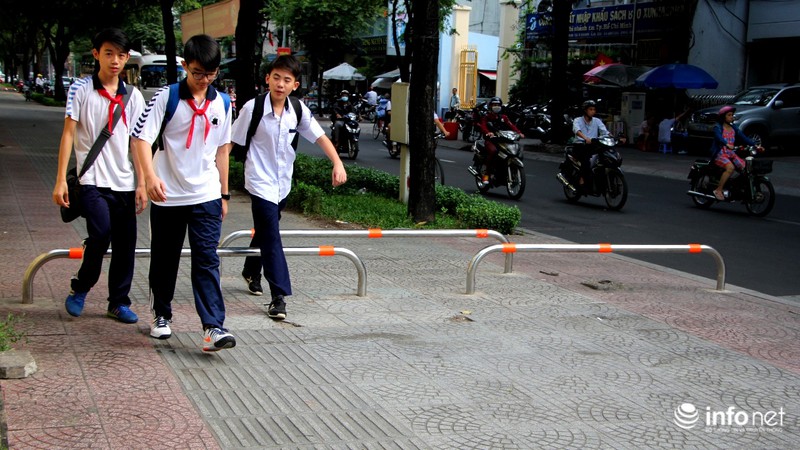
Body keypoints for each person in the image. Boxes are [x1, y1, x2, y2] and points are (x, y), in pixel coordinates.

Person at [131, 34, 235, 352]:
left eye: (211, 73)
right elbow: (139, 140)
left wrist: (224, 194)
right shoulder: (167, 97)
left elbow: (222, 151)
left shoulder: (224, 102)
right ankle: (161, 314)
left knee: (206, 260)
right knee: (165, 259)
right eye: (197, 73)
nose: (204, 80)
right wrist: (148, 178)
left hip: (205, 195)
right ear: (185, 66)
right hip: (168, 195)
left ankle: (213, 327)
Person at [236, 55, 347, 320]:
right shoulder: (252, 108)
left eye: (287, 80)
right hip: (259, 182)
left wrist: (338, 163)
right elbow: (230, 141)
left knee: (267, 228)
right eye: (276, 78)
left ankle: (251, 269)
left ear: (295, 85)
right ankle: (279, 296)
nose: (280, 84)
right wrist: (221, 189)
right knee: (272, 236)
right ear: (267, 79)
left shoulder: (297, 110)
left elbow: (320, 137)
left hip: (282, 184)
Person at [52, 28, 147, 324]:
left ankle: (118, 302)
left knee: (125, 243)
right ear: (96, 55)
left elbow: (138, 143)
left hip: (124, 182)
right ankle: (81, 287)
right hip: (90, 179)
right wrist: (58, 181)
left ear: (127, 58)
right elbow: (68, 135)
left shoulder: (133, 97)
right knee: (101, 233)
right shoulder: (80, 89)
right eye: (109, 53)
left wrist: (142, 183)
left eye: (120, 55)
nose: (115, 60)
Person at [710, 105, 763, 201]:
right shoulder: (717, 127)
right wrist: (726, 144)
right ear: (723, 117)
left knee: (745, 168)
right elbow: (718, 137)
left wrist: (756, 145)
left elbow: (744, 138)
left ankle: (735, 187)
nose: (732, 117)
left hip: (730, 153)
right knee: (730, 168)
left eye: (732, 115)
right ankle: (718, 190)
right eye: (729, 115)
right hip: (720, 153)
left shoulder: (734, 128)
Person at [476, 97, 524, 183]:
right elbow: (483, 126)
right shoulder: (487, 117)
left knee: (516, 151)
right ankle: (487, 174)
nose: (496, 106)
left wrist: (519, 133)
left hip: (503, 140)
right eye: (494, 105)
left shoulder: (504, 117)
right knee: (493, 151)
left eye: (498, 105)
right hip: (491, 140)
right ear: (490, 106)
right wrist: (488, 133)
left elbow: (511, 125)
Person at [572, 100, 611, 188]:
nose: (593, 111)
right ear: (585, 110)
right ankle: (581, 178)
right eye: (591, 109)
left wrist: (614, 137)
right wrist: (585, 138)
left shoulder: (597, 121)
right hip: (580, 145)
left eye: (594, 109)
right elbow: (577, 130)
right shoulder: (577, 120)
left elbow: (604, 131)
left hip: (593, 145)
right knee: (586, 160)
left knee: (604, 156)